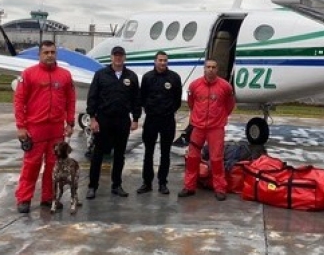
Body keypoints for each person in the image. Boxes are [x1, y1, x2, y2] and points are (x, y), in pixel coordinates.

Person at [14, 40, 76, 213]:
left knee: (53, 165)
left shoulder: (65, 75)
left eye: (52, 52)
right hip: (35, 128)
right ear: (39, 54)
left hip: (56, 128)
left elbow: (70, 100)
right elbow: (19, 101)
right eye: (46, 52)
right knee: (31, 165)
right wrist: (21, 126)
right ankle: (24, 198)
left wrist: (70, 122)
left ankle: (48, 198)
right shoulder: (28, 74)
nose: (49, 55)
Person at [85, 46, 141, 199]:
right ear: (111, 57)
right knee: (98, 154)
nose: (118, 58)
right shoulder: (101, 75)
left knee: (119, 155)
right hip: (104, 119)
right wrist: (92, 118)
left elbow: (136, 99)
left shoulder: (131, 76)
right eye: (115, 55)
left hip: (122, 120)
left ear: (124, 57)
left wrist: (135, 118)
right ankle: (92, 186)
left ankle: (116, 185)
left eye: (121, 55)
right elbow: (92, 97)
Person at [178, 59, 235, 201]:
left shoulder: (225, 87)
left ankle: (220, 188)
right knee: (192, 158)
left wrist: (219, 118)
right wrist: (198, 118)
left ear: (217, 69)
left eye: (213, 67)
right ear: (204, 69)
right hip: (198, 127)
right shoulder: (195, 85)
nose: (210, 69)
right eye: (208, 67)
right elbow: (191, 104)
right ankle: (189, 186)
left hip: (216, 128)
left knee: (217, 159)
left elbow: (229, 105)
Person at [137, 50, 182, 195]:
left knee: (165, 153)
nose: (162, 63)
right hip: (151, 119)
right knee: (148, 152)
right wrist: (151, 109)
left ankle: (163, 183)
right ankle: (147, 182)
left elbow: (177, 99)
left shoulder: (174, 78)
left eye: (165, 60)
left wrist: (168, 110)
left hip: (167, 120)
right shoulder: (147, 77)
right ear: (155, 61)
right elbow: (142, 97)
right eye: (160, 60)